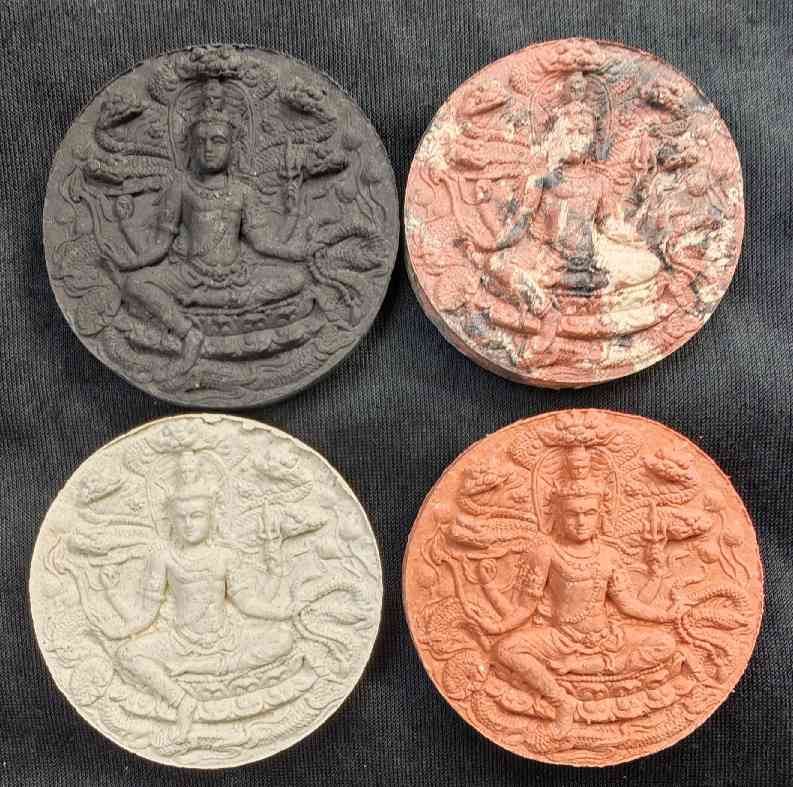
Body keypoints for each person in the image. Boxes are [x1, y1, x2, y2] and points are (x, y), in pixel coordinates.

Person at [105, 79, 320, 379]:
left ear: (233, 147)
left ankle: (211, 313)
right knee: (135, 284)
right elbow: (160, 246)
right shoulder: (180, 187)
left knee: (296, 279)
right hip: (190, 277)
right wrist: (131, 263)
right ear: (190, 147)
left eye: (218, 141)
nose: (209, 149)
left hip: (237, 278)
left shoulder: (242, 191)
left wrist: (296, 252)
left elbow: (260, 243)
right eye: (201, 142)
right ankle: (189, 334)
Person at [101, 453, 296, 745]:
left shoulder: (225, 556)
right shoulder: (163, 557)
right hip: (180, 641)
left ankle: (209, 667)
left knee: (284, 638)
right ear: (171, 520)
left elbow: (246, 603)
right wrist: (118, 623)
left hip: (226, 639)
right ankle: (183, 702)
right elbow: (146, 614)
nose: (188, 524)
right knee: (127, 654)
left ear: (211, 518)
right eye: (181, 517)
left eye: (197, 516)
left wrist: (281, 612)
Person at [466, 477, 678, 739]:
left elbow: (627, 604)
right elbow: (526, 607)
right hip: (561, 639)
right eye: (572, 514)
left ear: (600, 515)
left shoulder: (609, 555)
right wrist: (497, 627)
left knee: (666, 643)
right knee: (506, 649)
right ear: (558, 515)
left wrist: (664, 615)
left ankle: (589, 665)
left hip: (607, 639)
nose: (581, 521)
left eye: (589, 513)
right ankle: (561, 701)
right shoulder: (547, 553)